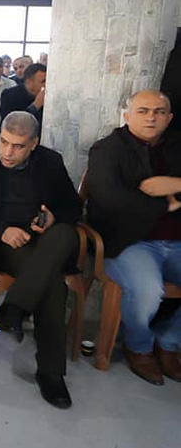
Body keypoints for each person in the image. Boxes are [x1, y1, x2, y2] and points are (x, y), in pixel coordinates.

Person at [0, 111, 81, 408]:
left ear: (33, 144)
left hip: (42, 240)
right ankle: (51, 372)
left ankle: (14, 308)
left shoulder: (50, 161)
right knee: (53, 284)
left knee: (65, 234)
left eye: (18, 146)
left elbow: (73, 206)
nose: (8, 152)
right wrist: (1, 231)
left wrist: (53, 217)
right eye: (4, 142)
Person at [85, 90, 181, 386]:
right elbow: (109, 198)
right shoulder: (108, 149)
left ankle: (168, 342)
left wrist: (175, 184)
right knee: (148, 290)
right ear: (127, 116)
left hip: (177, 240)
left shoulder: (176, 146)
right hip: (129, 241)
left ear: (169, 118)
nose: (151, 117)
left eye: (159, 112)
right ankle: (139, 348)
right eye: (143, 111)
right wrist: (165, 205)